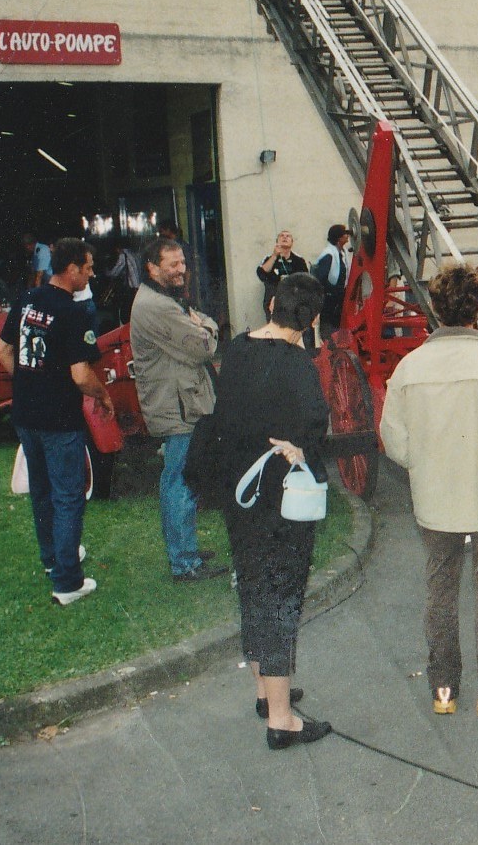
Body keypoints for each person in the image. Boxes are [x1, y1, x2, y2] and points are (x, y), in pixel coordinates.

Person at [197, 273, 366, 749]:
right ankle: (281, 719)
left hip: (241, 490)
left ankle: (263, 690)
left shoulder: (236, 348)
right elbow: (314, 425)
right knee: (280, 596)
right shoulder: (296, 363)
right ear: (311, 319)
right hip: (280, 496)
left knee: (253, 586)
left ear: (271, 303)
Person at [381, 265, 478, 719]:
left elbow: (395, 443)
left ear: (434, 308)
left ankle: (443, 688)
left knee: (440, 587)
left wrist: (429, 463)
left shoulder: (409, 367)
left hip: (434, 500)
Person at [0, 237, 114, 605]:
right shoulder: (74, 313)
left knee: (42, 492)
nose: (92, 274)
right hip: (59, 419)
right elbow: (81, 376)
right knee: (68, 496)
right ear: (72, 268)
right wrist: (103, 395)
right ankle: (67, 582)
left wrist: (30, 383)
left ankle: (53, 560)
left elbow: (1, 352)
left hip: (26, 415)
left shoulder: (27, 299)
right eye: (88, 267)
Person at [129, 236, 229, 583]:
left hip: (180, 402)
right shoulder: (158, 306)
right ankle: (184, 562)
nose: (180, 270)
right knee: (179, 481)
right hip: (177, 408)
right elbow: (203, 346)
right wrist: (206, 325)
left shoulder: (163, 299)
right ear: (152, 268)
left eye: (182, 263)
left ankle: (184, 550)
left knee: (179, 479)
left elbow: (197, 322)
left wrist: (198, 321)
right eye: (172, 265)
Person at [256, 229, 309, 321]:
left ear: (292, 242)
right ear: (277, 241)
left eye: (288, 236)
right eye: (281, 235)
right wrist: (275, 255)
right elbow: (262, 274)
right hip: (273, 303)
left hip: (293, 304)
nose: (285, 237)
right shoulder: (269, 258)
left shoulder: (299, 260)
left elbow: (305, 282)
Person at [312, 223, 352, 341]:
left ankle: (341, 347)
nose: (347, 236)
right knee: (329, 326)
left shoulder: (342, 253)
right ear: (339, 238)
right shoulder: (328, 255)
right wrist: (333, 291)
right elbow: (321, 278)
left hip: (340, 296)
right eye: (345, 234)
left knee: (341, 324)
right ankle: (329, 350)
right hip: (329, 298)